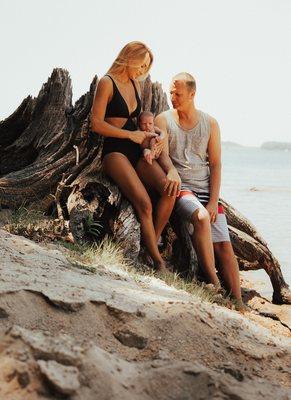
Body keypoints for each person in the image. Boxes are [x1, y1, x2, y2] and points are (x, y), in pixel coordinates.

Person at [155, 72, 244, 308]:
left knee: (224, 245)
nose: (173, 97)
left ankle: (238, 301)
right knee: (201, 217)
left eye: (178, 93)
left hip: (206, 190)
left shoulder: (210, 123)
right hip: (182, 189)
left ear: (192, 94)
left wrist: (214, 201)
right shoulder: (163, 119)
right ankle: (214, 284)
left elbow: (215, 164)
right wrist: (171, 171)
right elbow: (162, 153)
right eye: (171, 92)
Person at [90, 41, 181, 271]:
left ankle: (152, 242)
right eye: (141, 65)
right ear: (130, 57)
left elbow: (140, 119)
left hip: (138, 149)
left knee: (170, 190)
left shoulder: (135, 84)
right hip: (115, 152)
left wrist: (158, 133)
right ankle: (157, 261)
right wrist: (129, 136)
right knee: (144, 203)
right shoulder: (106, 82)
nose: (142, 71)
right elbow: (96, 124)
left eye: (146, 68)